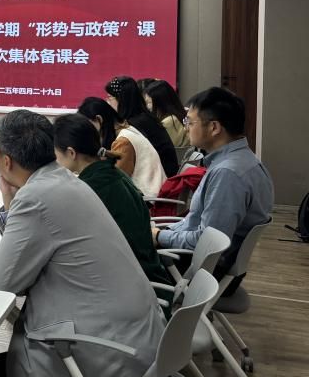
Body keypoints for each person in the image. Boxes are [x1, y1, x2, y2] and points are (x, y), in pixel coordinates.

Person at [0, 110, 164, 377]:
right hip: (143, 341)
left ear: (6, 161)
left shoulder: (35, 198)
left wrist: (8, 203)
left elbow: (4, 279)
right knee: (38, 346)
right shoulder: (67, 180)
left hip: (114, 353)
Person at [155, 87, 273, 285]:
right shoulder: (245, 161)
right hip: (208, 263)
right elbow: (199, 226)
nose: (186, 128)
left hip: (202, 270)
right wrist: (163, 230)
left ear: (214, 127)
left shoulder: (228, 173)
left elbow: (206, 243)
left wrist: (160, 236)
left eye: (189, 122)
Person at [53, 114, 170, 286]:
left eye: (55, 153)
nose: (55, 160)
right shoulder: (111, 173)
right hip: (147, 270)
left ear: (71, 153)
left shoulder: (90, 188)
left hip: (132, 283)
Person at [78, 97, 164, 197]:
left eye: (88, 125)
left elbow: (114, 182)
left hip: (148, 200)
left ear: (99, 119)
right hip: (146, 195)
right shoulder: (127, 129)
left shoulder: (123, 142)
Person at [105, 76, 178, 177]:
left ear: (121, 99)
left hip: (158, 179)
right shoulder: (145, 118)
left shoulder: (133, 125)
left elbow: (121, 170)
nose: (107, 102)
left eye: (109, 97)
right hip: (163, 175)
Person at [145, 79, 189, 149]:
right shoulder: (177, 115)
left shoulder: (169, 121)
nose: (147, 106)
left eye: (149, 102)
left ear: (160, 102)